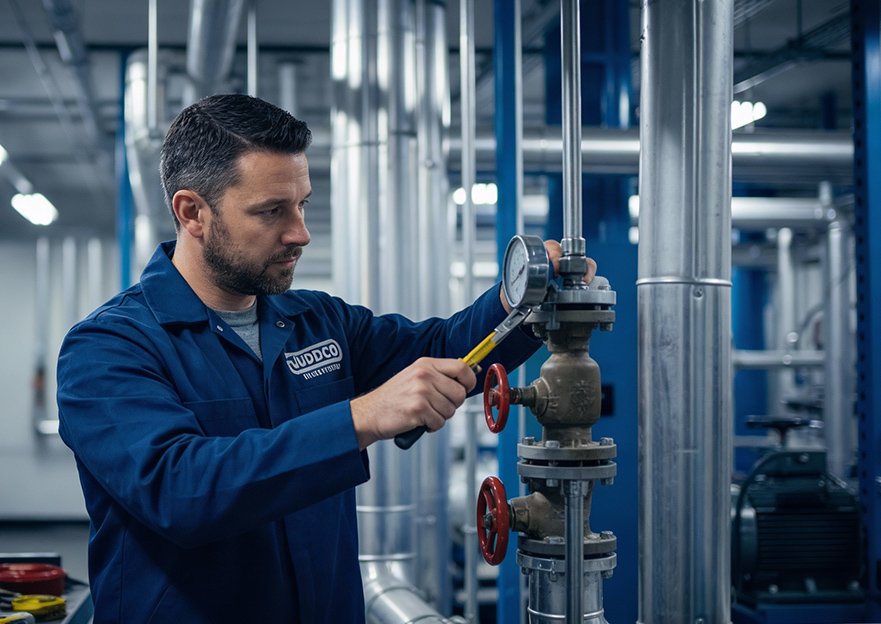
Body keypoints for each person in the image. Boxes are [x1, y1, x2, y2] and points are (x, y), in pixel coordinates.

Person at [56, 94, 596, 623]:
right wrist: (361, 417)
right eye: (272, 211)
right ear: (192, 212)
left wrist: (518, 299)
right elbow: (177, 489)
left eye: (302, 204)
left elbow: (444, 352)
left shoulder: (319, 322)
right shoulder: (109, 348)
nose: (301, 233)